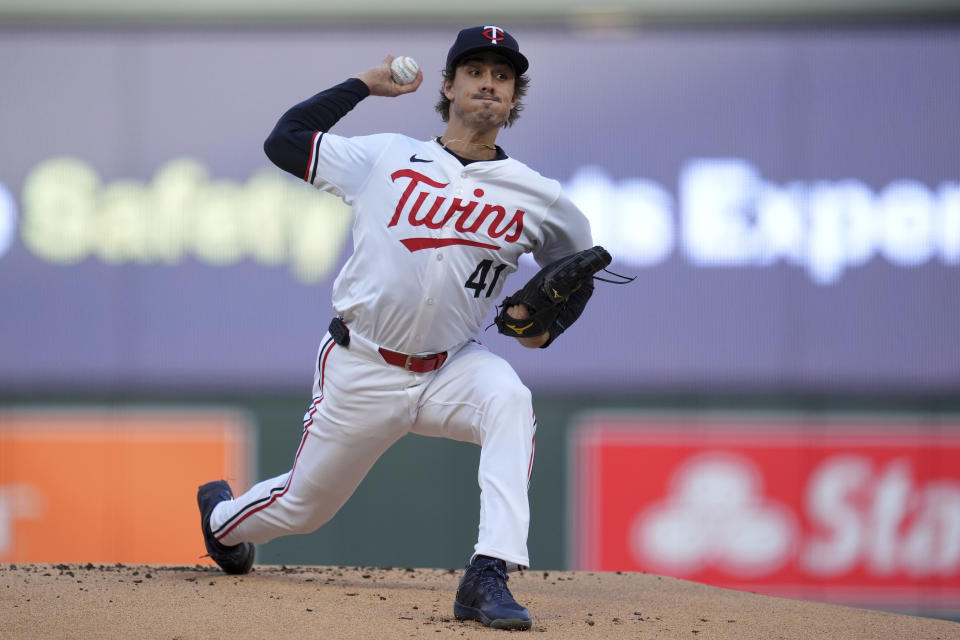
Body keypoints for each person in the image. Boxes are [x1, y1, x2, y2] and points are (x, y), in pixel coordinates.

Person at [197, 25, 595, 631]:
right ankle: (223, 521)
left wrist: (540, 330)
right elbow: (286, 141)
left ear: (514, 98)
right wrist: (364, 84)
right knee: (303, 509)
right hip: (362, 365)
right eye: (475, 72)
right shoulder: (383, 156)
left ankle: (489, 574)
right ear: (449, 86)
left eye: (503, 76)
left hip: (452, 366)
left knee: (510, 399)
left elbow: (576, 271)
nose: (489, 83)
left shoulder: (538, 196)